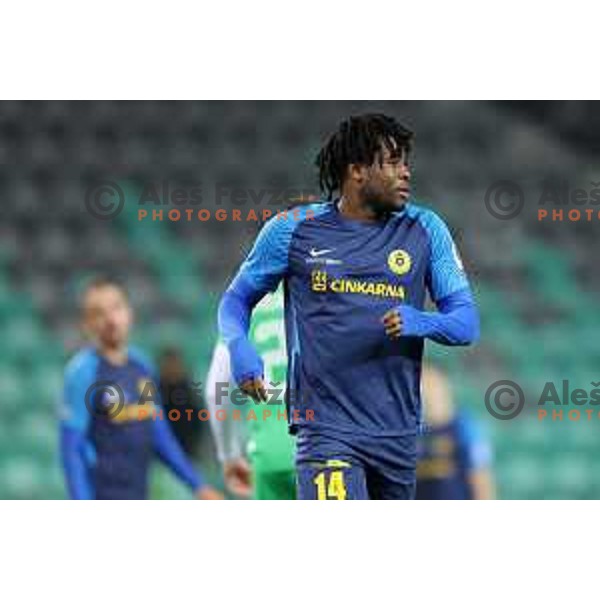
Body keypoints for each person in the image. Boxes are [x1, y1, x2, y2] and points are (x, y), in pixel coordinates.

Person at [218, 113, 479, 500]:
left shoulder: (426, 230)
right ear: (357, 170)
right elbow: (235, 301)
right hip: (325, 430)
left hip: (400, 434)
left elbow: (466, 323)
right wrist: (239, 346)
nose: (405, 172)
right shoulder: (292, 231)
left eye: (406, 161)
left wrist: (421, 321)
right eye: (392, 162)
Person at [59, 276, 222, 500]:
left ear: (129, 313)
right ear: (87, 324)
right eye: (98, 312)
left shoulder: (142, 368)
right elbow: (72, 450)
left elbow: (158, 432)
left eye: (116, 308)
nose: (110, 319)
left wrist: (198, 485)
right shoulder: (82, 373)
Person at [206, 283, 296, 499]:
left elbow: (215, 390)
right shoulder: (326, 294)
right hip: (329, 447)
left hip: (272, 455)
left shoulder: (242, 306)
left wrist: (229, 455)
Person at [416, 364, 495, 500]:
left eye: (432, 385)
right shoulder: (412, 430)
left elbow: (480, 477)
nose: (427, 391)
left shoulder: (463, 426)